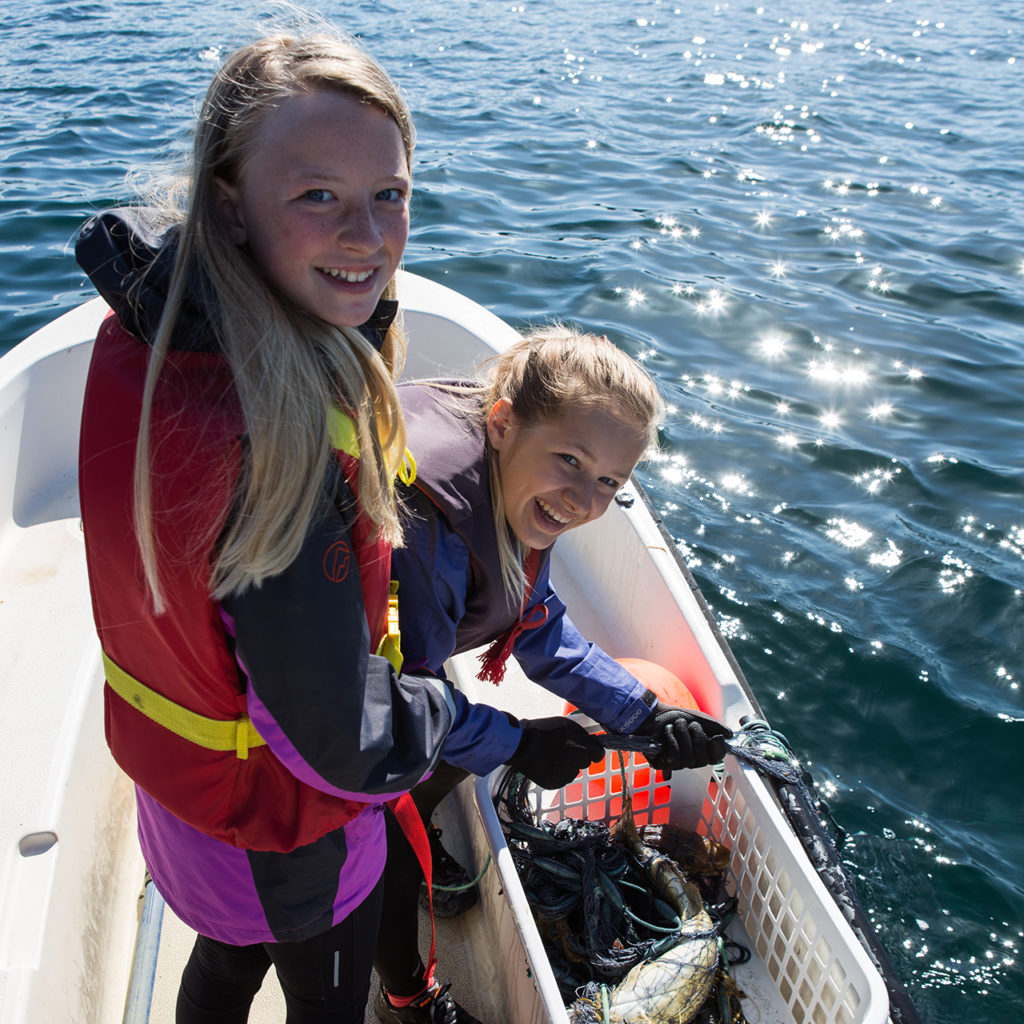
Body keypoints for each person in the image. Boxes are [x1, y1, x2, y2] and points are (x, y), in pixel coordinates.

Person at [74, 31, 604, 1024]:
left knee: (223, 964)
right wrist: (488, 729)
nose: (366, 236)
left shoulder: (157, 331)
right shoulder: (280, 453)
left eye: (389, 195)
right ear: (230, 205)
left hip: (192, 799)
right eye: (318, 194)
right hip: (285, 832)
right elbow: (343, 740)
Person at [372, 327, 732, 1023]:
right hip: (328, 717)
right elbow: (401, 705)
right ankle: (405, 997)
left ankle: (424, 821)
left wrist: (644, 712)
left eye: (609, 482)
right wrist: (514, 742)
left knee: (467, 748)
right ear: (502, 422)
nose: (584, 499)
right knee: (383, 842)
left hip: (398, 690)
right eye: (570, 459)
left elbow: (534, 621)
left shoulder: (512, 488)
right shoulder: (429, 534)